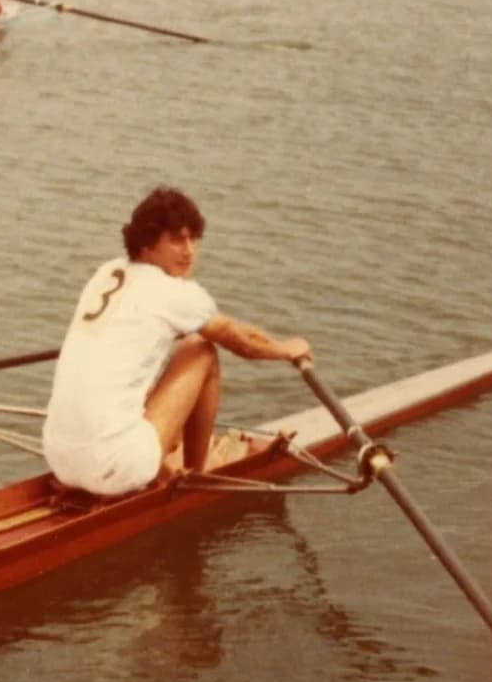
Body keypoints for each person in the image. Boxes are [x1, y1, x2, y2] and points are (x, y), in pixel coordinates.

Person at [42, 187, 311, 498]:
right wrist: (285, 349)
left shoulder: (107, 272)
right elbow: (242, 342)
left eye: (193, 239)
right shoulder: (173, 293)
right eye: (176, 240)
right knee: (201, 350)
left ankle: (159, 457)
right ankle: (197, 475)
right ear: (146, 243)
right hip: (113, 466)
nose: (189, 251)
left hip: (59, 458)